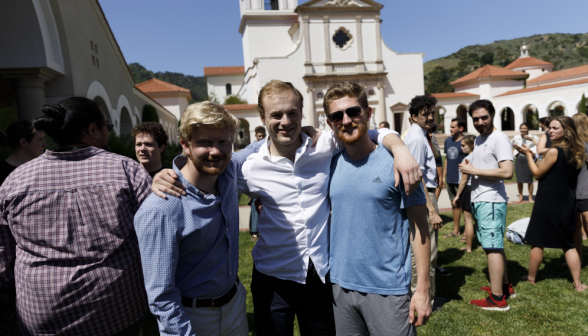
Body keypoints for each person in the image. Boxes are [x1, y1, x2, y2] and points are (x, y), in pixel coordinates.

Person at [151, 80, 422, 336]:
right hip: (272, 280)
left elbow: (363, 129)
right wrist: (169, 173)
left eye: (292, 113)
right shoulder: (247, 165)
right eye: (276, 115)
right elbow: (206, 167)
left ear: (302, 113)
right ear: (262, 116)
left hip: (319, 276)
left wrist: (397, 144)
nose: (285, 122)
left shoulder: (326, 145)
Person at [0, 97, 151, 335]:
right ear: (93, 129)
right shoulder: (126, 170)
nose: (108, 134)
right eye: (107, 127)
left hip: (42, 316)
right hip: (116, 311)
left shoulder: (15, 180)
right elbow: (156, 238)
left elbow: (4, 258)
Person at [134, 102, 261, 335]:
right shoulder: (161, 208)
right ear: (185, 145)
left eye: (223, 142)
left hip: (235, 305)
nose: (215, 151)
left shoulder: (228, 171)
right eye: (204, 142)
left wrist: (303, 130)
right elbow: (162, 295)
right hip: (193, 317)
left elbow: (255, 148)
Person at [325, 82, 431, 335]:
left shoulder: (398, 163)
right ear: (330, 123)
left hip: (388, 289)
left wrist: (423, 289)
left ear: (368, 113)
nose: (347, 120)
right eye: (337, 116)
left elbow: (419, 226)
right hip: (340, 287)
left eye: (353, 112)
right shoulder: (329, 165)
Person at [515, 116, 587, 292]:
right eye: (550, 128)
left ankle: (531, 278)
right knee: (568, 244)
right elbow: (548, 169)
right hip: (566, 202)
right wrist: (533, 156)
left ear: (566, 131)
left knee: (537, 240)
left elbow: (538, 173)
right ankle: (578, 284)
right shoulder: (576, 151)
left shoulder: (554, 151)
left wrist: (527, 156)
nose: (550, 131)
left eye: (555, 128)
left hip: (547, 201)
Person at [459, 99, 515, 311]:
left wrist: (473, 172)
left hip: (491, 200)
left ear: (493, 116)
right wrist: (469, 164)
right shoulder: (483, 138)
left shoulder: (498, 139)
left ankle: (497, 299)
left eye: (484, 117)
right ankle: (504, 287)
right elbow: (483, 162)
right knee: (493, 246)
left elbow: (507, 172)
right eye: (476, 119)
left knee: (492, 248)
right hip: (483, 199)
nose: (480, 122)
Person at [404, 95, 446, 307]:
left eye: (432, 113)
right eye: (425, 114)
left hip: (425, 195)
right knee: (425, 250)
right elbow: (416, 174)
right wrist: (431, 209)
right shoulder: (418, 139)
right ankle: (423, 299)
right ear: (413, 117)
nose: (430, 117)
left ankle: (424, 296)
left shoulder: (419, 135)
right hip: (424, 196)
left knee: (425, 248)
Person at [0, 120, 46, 185]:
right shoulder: (2, 173)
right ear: (23, 142)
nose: (44, 144)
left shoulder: (42, 170)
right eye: (40, 140)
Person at [451, 135, 476, 252]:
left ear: (471, 145)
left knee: (468, 220)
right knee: (479, 219)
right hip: (479, 188)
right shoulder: (481, 156)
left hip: (469, 188)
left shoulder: (467, 159)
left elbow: (464, 179)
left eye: (463, 145)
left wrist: (457, 195)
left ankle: (469, 247)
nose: (461, 148)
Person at [443, 118, 468, 239]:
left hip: (461, 180)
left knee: (464, 206)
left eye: (453, 127)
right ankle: (456, 231)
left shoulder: (466, 141)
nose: (450, 129)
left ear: (461, 128)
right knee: (454, 204)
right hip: (450, 179)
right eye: (450, 127)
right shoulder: (448, 141)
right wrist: (444, 176)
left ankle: (466, 232)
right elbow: (447, 159)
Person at [572, 113, 588, 262]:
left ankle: (579, 257)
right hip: (579, 192)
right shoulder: (575, 145)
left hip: (581, 192)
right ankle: (578, 258)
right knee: (577, 228)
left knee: (578, 228)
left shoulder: (582, 146)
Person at [511, 123, 538, 203]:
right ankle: (520, 197)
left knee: (529, 179)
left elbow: (538, 145)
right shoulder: (516, 137)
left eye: (525, 128)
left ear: (528, 128)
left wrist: (533, 153)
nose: (523, 130)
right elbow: (511, 146)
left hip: (529, 159)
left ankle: (530, 197)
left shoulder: (534, 137)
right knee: (519, 179)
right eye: (521, 128)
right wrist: (515, 153)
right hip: (519, 159)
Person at [249, 126, 266, 241]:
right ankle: (254, 231)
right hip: (255, 179)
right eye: (259, 136)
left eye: (263, 136)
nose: (261, 138)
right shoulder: (252, 148)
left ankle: (264, 229)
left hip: (265, 178)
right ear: (255, 136)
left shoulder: (267, 146)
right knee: (255, 203)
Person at [428, 124, 444, 200]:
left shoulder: (436, 153)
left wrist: (435, 199)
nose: (431, 135)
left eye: (432, 132)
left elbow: (440, 179)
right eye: (428, 132)